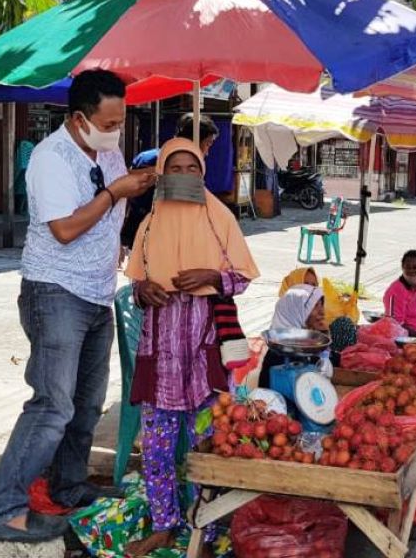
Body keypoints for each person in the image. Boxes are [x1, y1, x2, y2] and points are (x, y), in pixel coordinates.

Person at [0, 70, 158, 543]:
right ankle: (2, 509)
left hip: (97, 290)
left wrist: (141, 189)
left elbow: (114, 212)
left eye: (122, 121)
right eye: (110, 121)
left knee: (86, 404)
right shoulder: (50, 157)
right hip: (54, 290)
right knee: (51, 405)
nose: (117, 130)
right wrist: (114, 192)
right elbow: (65, 229)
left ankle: (70, 485)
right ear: (79, 118)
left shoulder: (110, 151)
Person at [123, 138, 258, 557]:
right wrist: (143, 289)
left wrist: (212, 277)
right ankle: (165, 524)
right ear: (161, 174)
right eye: (174, 168)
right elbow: (136, 281)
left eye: (192, 168)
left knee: (207, 448)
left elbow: (244, 276)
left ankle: (209, 528)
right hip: (160, 353)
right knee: (158, 450)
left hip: (204, 356)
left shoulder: (221, 219)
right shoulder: (148, 224)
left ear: (203, 173)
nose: (183, 176)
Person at [121, 114, 220, 250]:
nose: (207, 152)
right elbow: (126, 186)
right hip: (153, 238)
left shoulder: (148, 157)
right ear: (194, 141)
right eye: (207, 144)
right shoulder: (151, 159)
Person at [258, 282, 329, 388]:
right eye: (315, 306)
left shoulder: (305, 343)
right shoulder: (280, 354)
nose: (322, 312)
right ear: (296, 310)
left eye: (321, 305)